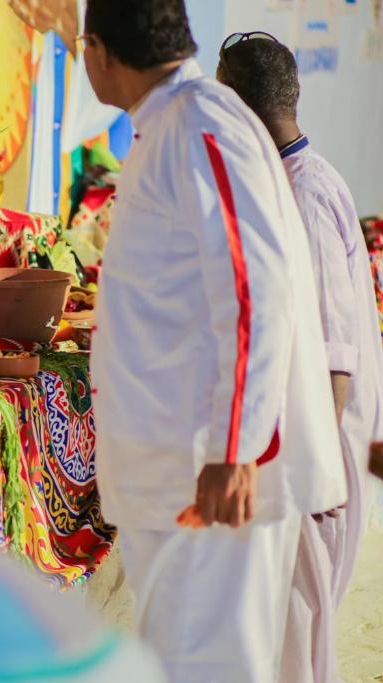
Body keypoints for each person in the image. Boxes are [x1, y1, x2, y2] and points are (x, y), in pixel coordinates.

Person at [80, 1, 348, 681]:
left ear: (98, 52)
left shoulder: (199, 124)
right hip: (184, 478)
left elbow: (258, 286)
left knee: (214, 668)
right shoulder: (174, 125)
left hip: (213, 479)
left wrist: (235, 451)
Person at [217, 34, 383, 683]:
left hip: (311, 469)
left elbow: (330, 361)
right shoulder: (293, 180)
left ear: (238, 106)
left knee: (296, 654)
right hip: (305, 463)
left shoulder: (306, 196)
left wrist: (306, 481)